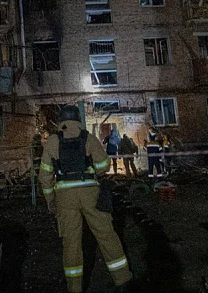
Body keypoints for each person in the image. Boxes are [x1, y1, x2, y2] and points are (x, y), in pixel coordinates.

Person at [39, 105, 132, 293]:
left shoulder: (53, 141)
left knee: (71, 243)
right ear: (78, 120)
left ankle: (74, 288)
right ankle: (123, 279)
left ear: (61, 121)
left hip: (65, 197)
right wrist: (91, 168)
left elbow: (45, 175)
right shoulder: (88, 138)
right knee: (106, 235)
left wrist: (50, 199)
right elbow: (104, 165)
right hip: (90, 193)